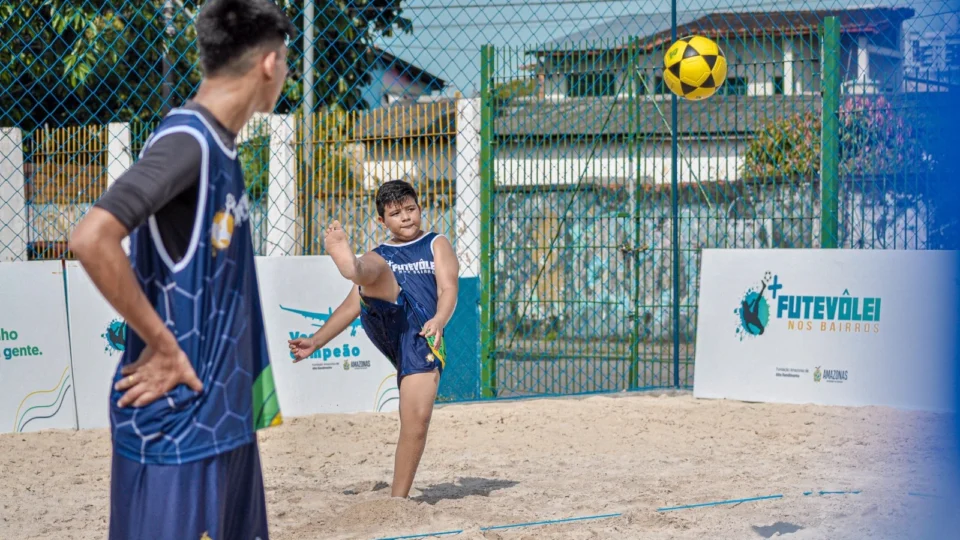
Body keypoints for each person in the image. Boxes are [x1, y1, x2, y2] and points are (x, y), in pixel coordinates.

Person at [68, 1, 294, 538]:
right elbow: (91, 237)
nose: (287, 71)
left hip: (223, 416)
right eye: (287, 60)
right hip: (177, 428)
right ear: (269, 63)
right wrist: (163, 345)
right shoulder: (187, 142)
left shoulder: (222, 145)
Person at [288, 180, 459, 498]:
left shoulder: (437, 243)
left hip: (422, 335)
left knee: (417, 420)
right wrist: (317, 340)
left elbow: (448, 288)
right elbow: (351, 305)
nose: (405, 217)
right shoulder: (381, 252)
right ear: (382, 220)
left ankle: (397, 500)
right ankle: (352, 266)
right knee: (376, 267)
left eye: (410, 209)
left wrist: (439, 319)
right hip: (385, 315)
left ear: (420, 208)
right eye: (396, 213)